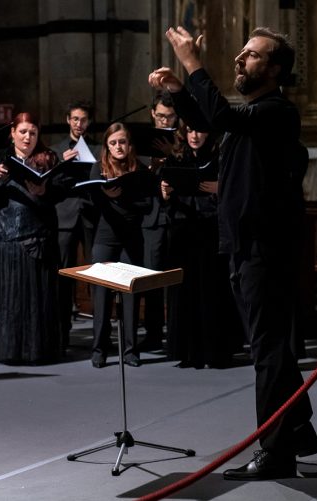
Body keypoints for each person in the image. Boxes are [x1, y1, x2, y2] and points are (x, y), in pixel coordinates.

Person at [149, 26, 317, 480]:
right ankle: (297, 429)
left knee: (267, 352)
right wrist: (181, 93)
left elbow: (223, 118)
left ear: (276, 69)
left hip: (264, 249)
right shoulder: (254, 114)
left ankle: (276, 451)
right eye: (241, 53)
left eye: (252, 55)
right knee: (273, 350)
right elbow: (212, 120)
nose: (240, 60)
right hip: (243, 246)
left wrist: (191, 62)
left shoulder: (277, 112)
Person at [161, 124, 243, 368]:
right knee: (186, 291)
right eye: (190, 131)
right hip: (184, 233)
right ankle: (189, 352)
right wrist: (165, 193)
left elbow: (237, 191)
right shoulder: (178, 160)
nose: (194, 135)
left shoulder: (220, 158)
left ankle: (215, 351)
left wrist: (221, 188)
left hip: (211, 232)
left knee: (213, 291)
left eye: (200, 130)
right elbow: (168, 200)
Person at [0, 112, 62, 365]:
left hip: (37, 234)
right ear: (12, 132)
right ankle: (9, 349)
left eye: (33, 133)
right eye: (23, 132)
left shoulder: (48, 158)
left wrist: (45, 190)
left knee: (36, 296)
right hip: (5, 235)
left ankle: (37, 349)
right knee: (10, 297)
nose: (28, 137)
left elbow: (61, 192)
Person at [88, 123, 151, 368]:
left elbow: (147, 205)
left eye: (122, 142)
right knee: (101, 296)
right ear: (107, 146)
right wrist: (111, 198)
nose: (118, 147)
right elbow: (95, 203)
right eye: (113, 143)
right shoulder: (98, 169)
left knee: (130, 296)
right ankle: (99, 349)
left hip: (132, 239)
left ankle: (130, 350)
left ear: (129, 144)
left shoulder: (140, 170)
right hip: (105, 238)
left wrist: (121, 197)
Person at [49, 100, 99, 349]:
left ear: (89, 122)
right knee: (63, 277)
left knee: (97, 275)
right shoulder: (56, 150)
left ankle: (99, 335)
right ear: (68, 120)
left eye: (84, 120)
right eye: (75, 119)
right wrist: (61, 163)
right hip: (66, 217)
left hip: (90, 216)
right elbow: (48, 183)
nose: (79, 124)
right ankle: (61, 334)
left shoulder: (100, 149)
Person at [137, 92, 176, 352]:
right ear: (153, 114)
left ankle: (177, 333)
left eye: (170, 117)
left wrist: (172, 156)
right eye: (161, 116)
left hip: (177, 218)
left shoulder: (182, 140)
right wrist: (152, 166)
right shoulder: (140, 142)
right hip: (151, 218)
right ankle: (152, 333)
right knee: (151, 277)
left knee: (176, 278)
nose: (164, 121)